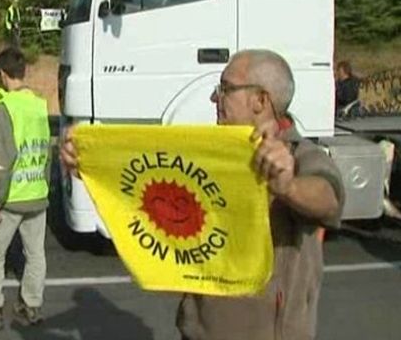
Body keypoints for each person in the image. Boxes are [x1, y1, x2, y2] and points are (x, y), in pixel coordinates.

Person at [60, 49, 344, 340]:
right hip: (196, 331)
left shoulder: (301, 154)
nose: (214, 98)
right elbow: (147, 176)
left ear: (260, 100)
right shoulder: (214, 153)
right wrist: (89, 161)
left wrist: (288, 186)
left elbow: (328, 198)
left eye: (225, 88)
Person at [0, 47, 51, 331]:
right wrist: (44, 188)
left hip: (11, 197)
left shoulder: (6, 108)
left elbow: (0, 159)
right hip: (37, 193)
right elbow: (46, 153)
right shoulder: (40, 105)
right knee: (36, 254)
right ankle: (31, 306)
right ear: (24, 71)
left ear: (2, 74)